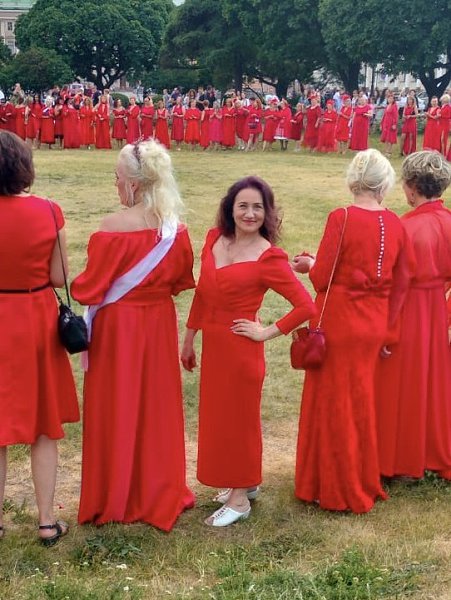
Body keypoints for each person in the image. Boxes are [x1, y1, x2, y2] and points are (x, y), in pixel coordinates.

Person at [71, 139, 195, 530]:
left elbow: (89, 288)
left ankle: (115, 493)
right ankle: (158, 488)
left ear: (135, 184)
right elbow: (181, 280)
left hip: (117, 327)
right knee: (156, 405)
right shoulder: (176, 231)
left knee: (116, 403)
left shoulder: (111, 229)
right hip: (157, 323)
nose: (115, 184)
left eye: (117, 177)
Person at [181, 176, 316, 527]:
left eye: (258, 207)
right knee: (220, 420)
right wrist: (189, 337)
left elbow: (306, 306)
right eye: (243, 205)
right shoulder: (214, 239)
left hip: (241, 352)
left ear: (267, 213)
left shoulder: (268, 256)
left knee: (239, 423)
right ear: (231, 208)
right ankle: (244, 483)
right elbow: (203, 293)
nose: (250, 213)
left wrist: (266, 332)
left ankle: (240, 499)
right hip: (214, 347)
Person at [293, 149, 410, 513]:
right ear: (384, 184)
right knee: (359, 401)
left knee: (332, 402)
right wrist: (389, 331)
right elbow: (402, 282)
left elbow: (321, 277)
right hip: (374, 321)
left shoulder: (341, 217)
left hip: (340, 320)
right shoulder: (396, 223)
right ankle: (357, 476)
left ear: (353, 181)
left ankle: (332, 485)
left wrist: (308, 264)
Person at [0, 131, 79, 544]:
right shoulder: (49, 211)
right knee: (44, 425)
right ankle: (47, 522)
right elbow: (59, 277)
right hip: (35, 317)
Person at [375, 151, 451, 481]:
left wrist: (387, 328)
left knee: (400, 384)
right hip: (436, 310)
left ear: (412, 187)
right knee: (433, 382)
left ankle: (399, 458)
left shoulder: (405, 226)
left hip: (407, 310)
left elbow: (394, 283)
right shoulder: (448, 222)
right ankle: (429, 451)